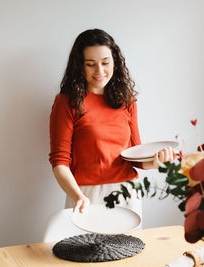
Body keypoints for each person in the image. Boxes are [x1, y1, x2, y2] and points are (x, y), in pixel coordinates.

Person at [49, 29, 175, 215]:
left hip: (127, 194)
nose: (100, 71)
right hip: (86, 196)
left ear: (115, 63)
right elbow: (59, 162)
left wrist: (156, 162)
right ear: (79, 66)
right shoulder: (67, 103)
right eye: (90, 64)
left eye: (105, 63)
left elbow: (135, 156)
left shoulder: (127, 101)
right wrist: (78, 196)